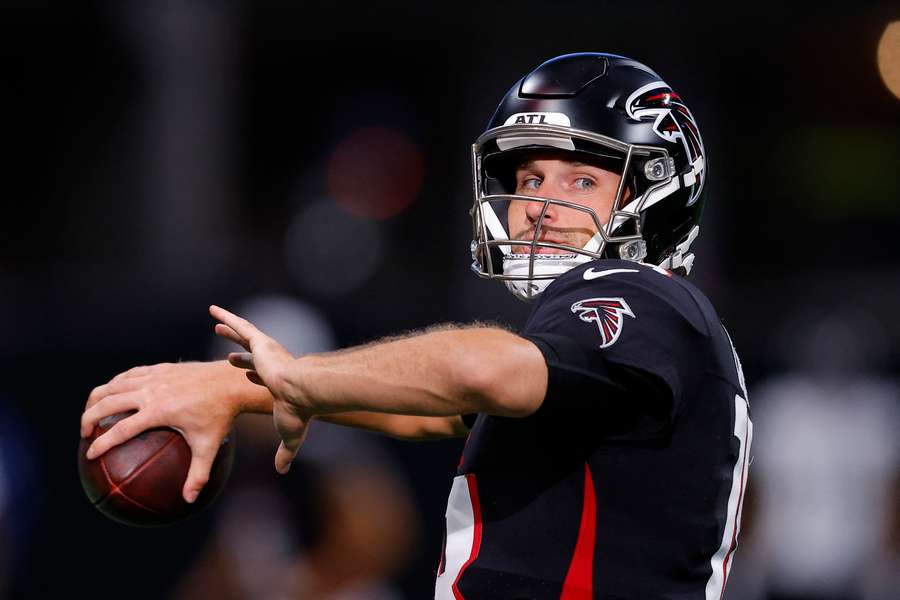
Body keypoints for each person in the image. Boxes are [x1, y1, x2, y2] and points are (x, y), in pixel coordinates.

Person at [81, 53, 752, 598]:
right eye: (529, 176)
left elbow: (478, 370)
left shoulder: (642, 296)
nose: (540, 205)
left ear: (657, 191)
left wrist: (289, 376)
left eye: (580, 181)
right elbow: (436, 414)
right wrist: (250, 390)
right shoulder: (622, 348)